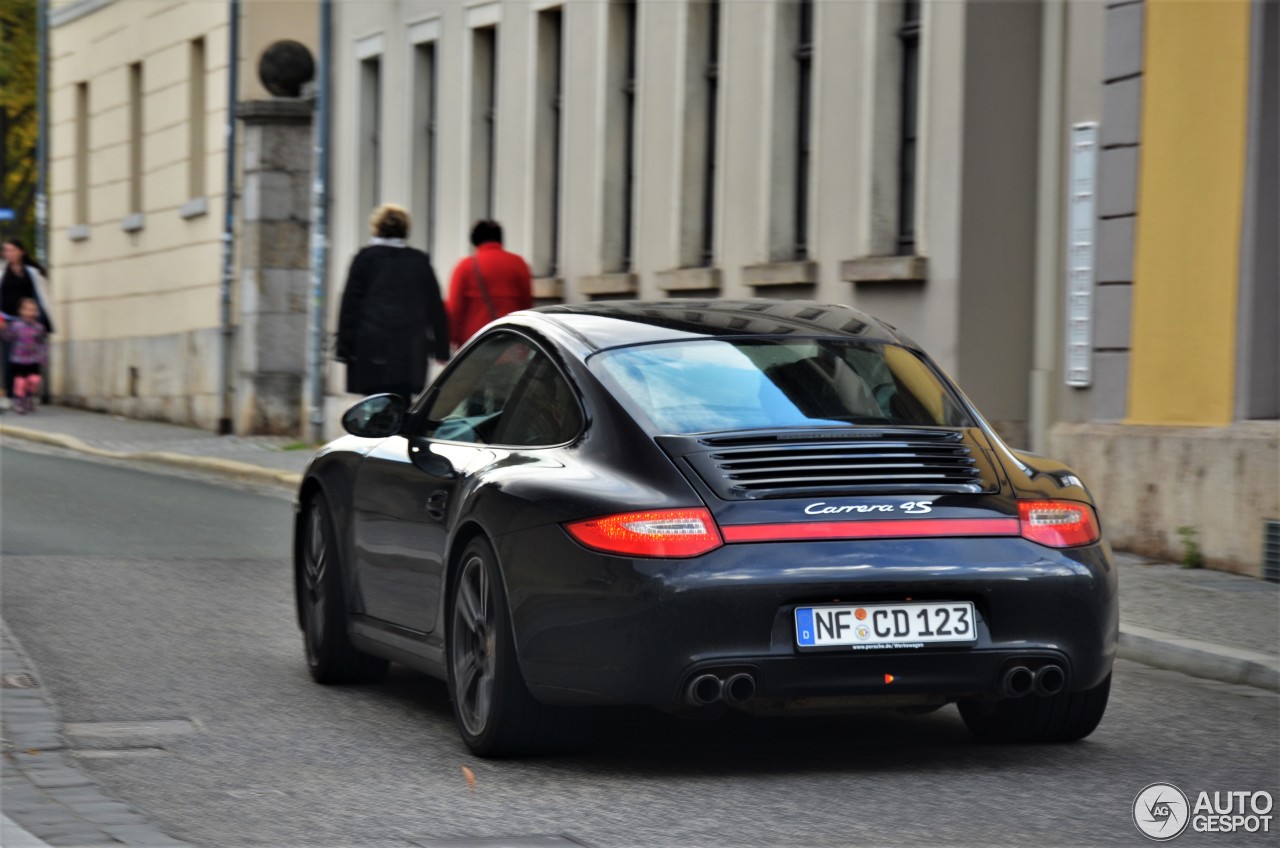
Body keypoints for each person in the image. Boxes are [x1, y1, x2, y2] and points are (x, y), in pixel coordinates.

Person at [336, 204, 449, 399]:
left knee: (372, 404)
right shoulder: (419, 261)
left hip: (370, 346)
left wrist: (345, 348)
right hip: (409, 348)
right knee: (401, 401)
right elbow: (435, 307)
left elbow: (350, 306)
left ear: (377, 227)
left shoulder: (365, 259)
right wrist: (441, 348)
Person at [446, 219, 533, 349]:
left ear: (474, 241)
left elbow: (455, 309)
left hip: (475, 343)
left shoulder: (465, 266)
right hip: (512, 341)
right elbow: (527, 304)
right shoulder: (519, 264)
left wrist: (454, 339)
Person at [1, 239, 54, 412]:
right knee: (10, 359)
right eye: (6, 251)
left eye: (12, 250)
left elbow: (41, 296)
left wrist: (42, 321)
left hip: (29, 321)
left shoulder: (32, 273)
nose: (8, 254)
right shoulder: (2, 272)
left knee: (32, 362)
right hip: (8, 321)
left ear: (21, 251)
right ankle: (11, 395)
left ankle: (28, 395)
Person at [0, 298, 49, 415]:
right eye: (26, 309)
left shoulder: (39, 328)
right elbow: (8, 337)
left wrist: (43, 357)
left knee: (34, 380)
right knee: (20, 382)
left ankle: (29, 396)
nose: (29, 312)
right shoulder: (16, 326)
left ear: (36, 312)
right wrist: (3, 329)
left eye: (32, 310)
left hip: (33, 359)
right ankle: (20, 402)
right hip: (18, 359)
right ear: (21, 311)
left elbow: (42, 343)